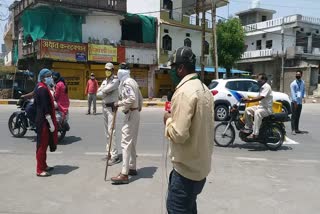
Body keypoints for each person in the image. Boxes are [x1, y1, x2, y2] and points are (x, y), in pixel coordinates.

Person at [163, 46, 214, 214]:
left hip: (185, 173)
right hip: (200, 170)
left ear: (180, 68)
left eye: (172, 68)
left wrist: (168, 120)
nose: (170, 72)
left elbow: (179, 134)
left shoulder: (184, 92)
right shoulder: (205, 89)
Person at [111, 62, 143, 185]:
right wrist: (137, 109)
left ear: (121, 72)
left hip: (130, 114)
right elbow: (139, 98)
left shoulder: (127, 82)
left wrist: (119, 104)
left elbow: (132, 98)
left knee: (125, 143)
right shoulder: (133, 81)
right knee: (132, 142)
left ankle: (124, 173)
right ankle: (132, 167)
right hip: (134, 113)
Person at [34, 69, 58, 177]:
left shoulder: (42, 87)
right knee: (41, 146)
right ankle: (39, 169)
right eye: (48, 76)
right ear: (43, 77)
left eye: (51, 75)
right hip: (43, 121)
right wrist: (50, 122)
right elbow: (45, 108)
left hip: (43, 120)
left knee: (44, 144)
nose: (50, 78)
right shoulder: (42, 89)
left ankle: (44, 165)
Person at [97, 62, 120, 165]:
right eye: (106, 69)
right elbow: (98, 93)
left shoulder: (115, 80)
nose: (107, 71)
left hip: (112, 108)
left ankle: (115, 156)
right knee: (107, 133)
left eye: (109, 69)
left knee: (112, 132)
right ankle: (109, 153)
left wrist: (104, 92)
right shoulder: (105, 81)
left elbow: (104, 91)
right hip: (104, 107)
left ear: (112, 70)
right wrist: (105, 92)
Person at [242, 73, 273, 139]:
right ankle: (249, 127)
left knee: (257, 113)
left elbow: (260, 97)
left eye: (259, 81)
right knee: (248, 109)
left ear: (264, 80)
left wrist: (249, 100)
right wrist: (246, 99)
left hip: (267, 109)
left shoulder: (266, 87)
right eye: (257, 81)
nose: (258, 82)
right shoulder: (261, 87)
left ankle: (255, 134)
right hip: (261, 107)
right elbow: (257, 97)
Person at [290, 70, 306, 135]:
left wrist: (304, 97)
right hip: (294, 102)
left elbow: (303, 90)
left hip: (300, 102)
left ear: (301, 75)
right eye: (297, 74)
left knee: (298, 116)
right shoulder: (293, 84)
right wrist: (295, 102)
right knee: (293, 116)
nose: (297, 75)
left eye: (299, 75)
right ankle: (293, 130)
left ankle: (297, 129)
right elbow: (293, 93)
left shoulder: (303, 82)